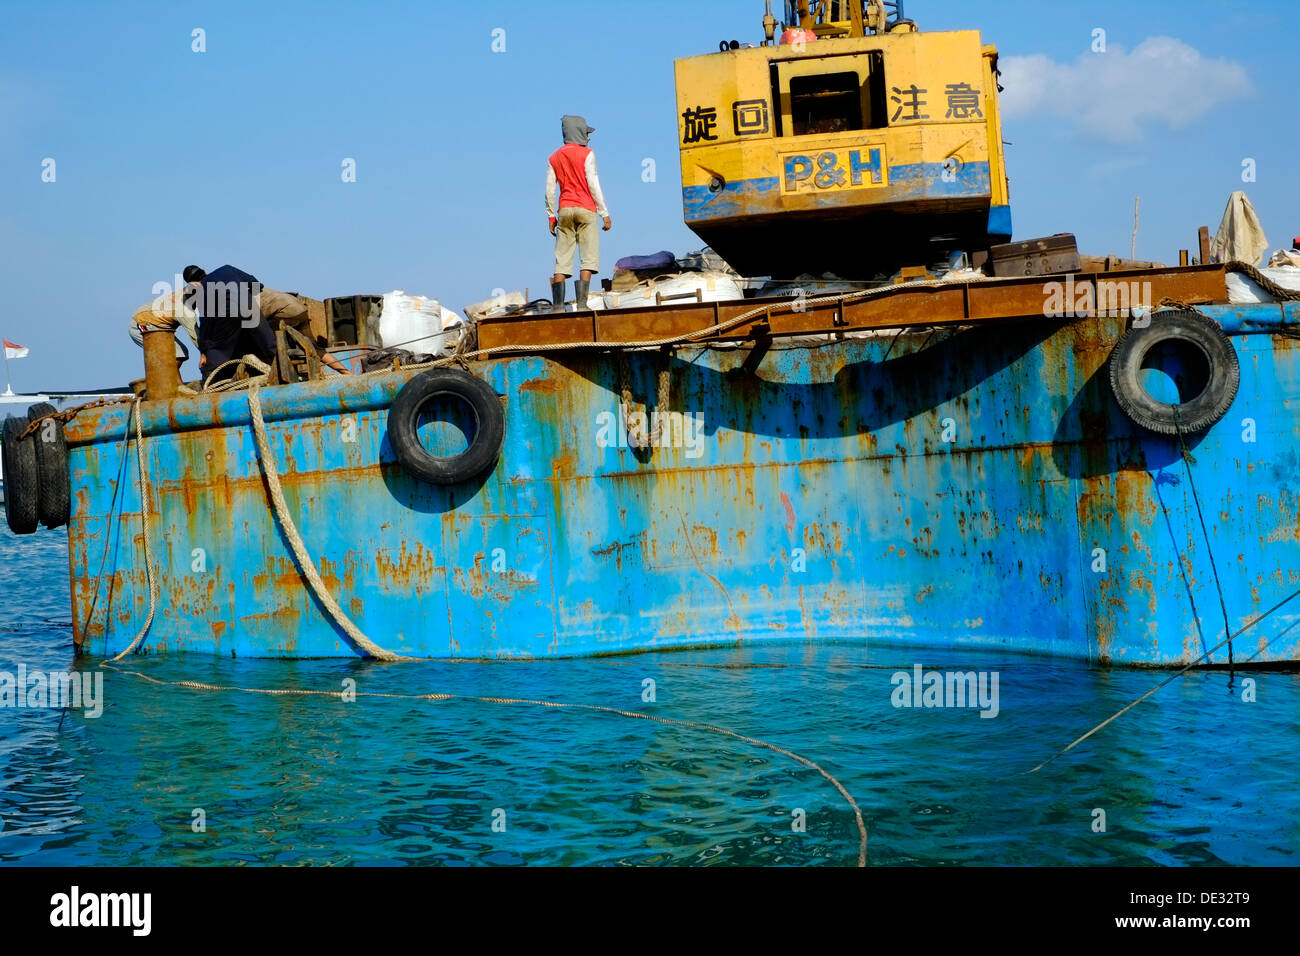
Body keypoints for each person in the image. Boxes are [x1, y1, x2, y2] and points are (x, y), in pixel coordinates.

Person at [183, 264, 349, 380]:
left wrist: (204, 352)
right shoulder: (227, 269)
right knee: (313, 348)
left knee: (263, 348)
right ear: (204, 271)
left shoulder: (204, 291)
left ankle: (288, 379)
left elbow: (206, 325)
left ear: (193, 283)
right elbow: (256, 284)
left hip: (263, 314)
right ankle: (347, 373)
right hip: (297, 309)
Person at [545, 115, 612, 313]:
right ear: (579, 133)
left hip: (564, 210)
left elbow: (549, 189)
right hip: (586, 209)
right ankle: (582, 305)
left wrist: (551, 216)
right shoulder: (587, 154)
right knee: (588, 257)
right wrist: (604, 213)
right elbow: (593, 184)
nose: (588, 137)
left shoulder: (554, 157)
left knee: (562, 259)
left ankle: (558, 306)